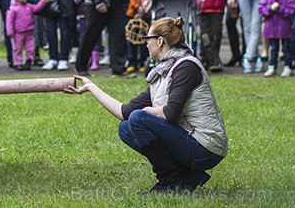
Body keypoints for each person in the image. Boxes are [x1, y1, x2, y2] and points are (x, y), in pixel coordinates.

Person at [65, 16, 228, 193]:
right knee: (126, 127)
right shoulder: (162, 72)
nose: (145, 44)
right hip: (189, 141)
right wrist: (91, 87)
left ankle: (169, 182)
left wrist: (146, 112)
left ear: (159, 41)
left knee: (138, 118)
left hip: (206, 148)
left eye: (147, 39)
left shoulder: (186, 67)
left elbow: (171, 112)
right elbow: (124, 112)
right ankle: (186, 176)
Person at [257, 0, 295, 77]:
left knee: (286, 47)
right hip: (272, 29)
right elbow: (261, 9)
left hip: (284, 28)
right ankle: (272, 66)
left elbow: (291, 10)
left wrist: (279, 9)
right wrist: (270, 8)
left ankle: (287, 66)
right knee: (273, 48)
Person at [6, 0, 46, 70]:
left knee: (30, 47)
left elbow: (37, 8)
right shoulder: (12, 9)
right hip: (18, 33)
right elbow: (9, 22)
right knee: (17, 48)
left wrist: (43, 1)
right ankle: (18, 63)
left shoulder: (29, 6)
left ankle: (29, 60)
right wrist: (10, 33)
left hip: (29, 32)